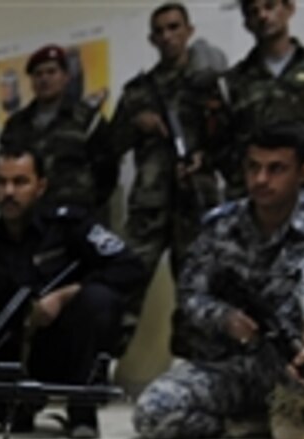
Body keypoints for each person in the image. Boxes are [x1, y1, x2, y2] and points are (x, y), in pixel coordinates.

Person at [133, 123, 304, 439]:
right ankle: (253, 421)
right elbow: (191, 294)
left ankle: (294, 399)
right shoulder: (221, 224)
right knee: (152, 414)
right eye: (253, 167)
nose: (261, 179)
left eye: (276, 169)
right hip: (237, 361)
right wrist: (224, 318)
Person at [0, 145, 146, 439]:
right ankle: (19, 410)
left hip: (63, 348)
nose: (9, 192)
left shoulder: (69, 226)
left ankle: (82, 412)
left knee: (99, 300)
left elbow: (130, 268)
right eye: (1, 183)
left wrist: (66, 295)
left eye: (20, 182)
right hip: (9, 351)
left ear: (40, 187)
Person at [110, 2, 222, 356]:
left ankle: (193, 368)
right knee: (125, 278)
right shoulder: (138, 91)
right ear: (151, 38)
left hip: (197, 200)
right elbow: (110, 145)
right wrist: (134, 123)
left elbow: (231, 139)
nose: (167, 36)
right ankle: (105, 362)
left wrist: (206, 157)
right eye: (159, 30)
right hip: (150, 204)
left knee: (198, 286)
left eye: (174, 27)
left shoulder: (211, 85)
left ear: (189, 31)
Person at [210, 0, 304, 199]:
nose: (263, 16)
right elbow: (220, 145)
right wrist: (247, 180)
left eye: (270, 6)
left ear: (289, 9)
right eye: (253, 11)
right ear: (246, 23)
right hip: (259, 201)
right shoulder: (232, 83)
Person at [0, 44, 118, 217]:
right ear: (31, 80)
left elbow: (107, 172)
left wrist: (88, 204)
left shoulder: (88, 119)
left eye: (51, 72)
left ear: (66, 76)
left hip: (78, 217)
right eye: (38, 74)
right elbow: (5, 170)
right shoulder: (15, 125)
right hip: (31, 220)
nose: (44, 79)